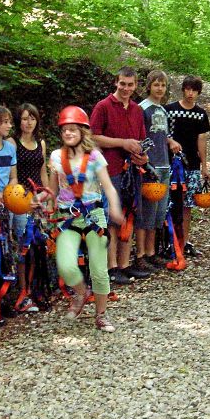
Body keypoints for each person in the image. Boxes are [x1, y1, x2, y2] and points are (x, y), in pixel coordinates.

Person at [49, 106, 123, 332]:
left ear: (83, 131)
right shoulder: (56, 157)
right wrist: (42, 199)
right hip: (67, 216)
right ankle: (82, 293)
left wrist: (116, 210)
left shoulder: (95, 157)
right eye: (64, 130)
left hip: (93, 215)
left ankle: (101, 315)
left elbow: (108, 188)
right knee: (65, 263)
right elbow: (52, 190)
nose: (68, 134)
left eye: (73, 129)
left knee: (99, 269)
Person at [90, 66, 150, 284]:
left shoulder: (136, 110)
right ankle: (111, 267)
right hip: (110, 170)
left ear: (135, 86)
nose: (126, 88)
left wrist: (144, 157)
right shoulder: (103, 106)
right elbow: (93, 137)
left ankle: (125, 265)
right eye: (122, 84)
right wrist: (122, 143)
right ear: (116, 83)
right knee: (111, 219)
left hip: (133, 170)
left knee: (129, 216)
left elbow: (142, 140)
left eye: (130, 84)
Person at [8, 103, 51, 312]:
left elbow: (43, 173)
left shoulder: (40, 143)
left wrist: (46, 194)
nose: (29, 122)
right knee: (23, 247)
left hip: (39, 198)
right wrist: (25, 199)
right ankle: (23, 292)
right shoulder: (13, 142)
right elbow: (12, 175)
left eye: (32, 118)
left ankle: (37, 289)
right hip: (20, 200)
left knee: (39, 247)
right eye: (25, 118)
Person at [135, 70, 179, 271]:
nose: (159, 88)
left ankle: (152, 253)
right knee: (147, 212)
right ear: (149, 86)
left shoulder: (162, 110)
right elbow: (140, 138)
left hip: (164, 164)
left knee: (159, 212)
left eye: (163, 85)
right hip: (150, 166)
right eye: (156, 85)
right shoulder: (142, 109)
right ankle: (141, 254)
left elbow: (163, 135)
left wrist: (171, 141)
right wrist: (144, 163)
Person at [165, 75, 210, 258]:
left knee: (187, 204)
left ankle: (184, 242)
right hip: (171, 163)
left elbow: (202, 140)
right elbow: (162, 134)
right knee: (169, 202)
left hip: (192, 164)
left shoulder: (201, 114)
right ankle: (167, 241)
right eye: (188, 89)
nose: (191, 93)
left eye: (194, 90)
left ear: (198, 92)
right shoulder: (170, 110)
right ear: (183, 89)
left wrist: (204, 166)